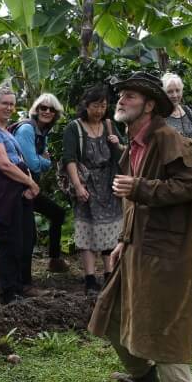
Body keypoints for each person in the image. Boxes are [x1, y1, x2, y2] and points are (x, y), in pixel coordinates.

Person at [89, 72, 192, 382]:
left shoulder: (170, 140)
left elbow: (187, 187)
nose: (121, 100)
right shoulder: (135, 143)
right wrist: (123, 240)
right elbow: (132, 204)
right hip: (138, 245)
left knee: (161, 319)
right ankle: (144, 377)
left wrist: (140, 187)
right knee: (111, 311)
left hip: (163, 251)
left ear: (150, 105)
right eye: (121, 95)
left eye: (130, 96)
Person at [0, 84, 40, 305]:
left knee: (26, 238)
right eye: (4, 103)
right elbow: (3, 164)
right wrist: (30, 182)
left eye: (12, 104)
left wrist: (28, 183)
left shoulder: (6, 131)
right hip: (5, 191)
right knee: (10, 241)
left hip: (18, 191)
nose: (9, 107)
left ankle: (22, 285)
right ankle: (9, 292)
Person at [62, 85, 124, 294]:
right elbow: (69, 159)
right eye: (95, 106)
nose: (99, 110)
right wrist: (78, 186)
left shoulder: (109, 124)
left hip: (109, 184)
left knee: (112, 229)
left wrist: (117, 144)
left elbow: (124, 152)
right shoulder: (74, 128)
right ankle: (89, 279)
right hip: (87, 184)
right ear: (86, 106)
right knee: (86, 230)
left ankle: (109, 274)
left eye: (103, 105)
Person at [13, 93, 69, 275]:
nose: (47, 111)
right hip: (19, 187)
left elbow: (40, 162)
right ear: (35, 110)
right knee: (28, 235)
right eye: (42, 108)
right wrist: (46, 161)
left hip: (30, 186)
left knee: (57, 214)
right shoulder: (27, 129)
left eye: (51, 109)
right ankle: (23, 280)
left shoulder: (41, 132)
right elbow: (33, 164)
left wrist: (43, 161)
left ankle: (54, 260)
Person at [162, 72, 192, 178]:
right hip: (173, 174)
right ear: (163, 93)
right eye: (170, 92)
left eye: (177, 90)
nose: (175, 95)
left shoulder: (187, 111)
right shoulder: (160, 116)